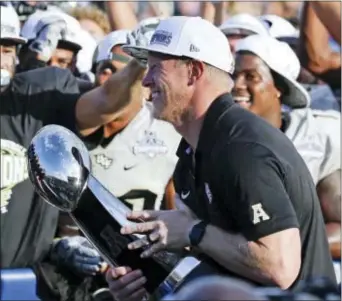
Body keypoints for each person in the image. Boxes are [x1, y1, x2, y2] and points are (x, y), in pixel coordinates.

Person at [105, 16, 337, 301]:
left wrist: (192, 230)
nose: (146, 80)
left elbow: (280, 267)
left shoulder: (242, 147)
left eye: (156, 68)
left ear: (193, 72)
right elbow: (217, 254)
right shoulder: (194, 152)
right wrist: (138, 282)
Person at [0, 5, 147, 301]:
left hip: (23, 286)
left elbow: (107, 101)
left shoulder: (36, 99)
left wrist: (140, 60)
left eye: (5, 49)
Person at [232, 35, 341, 268]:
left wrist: (280, 247)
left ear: (279, 88)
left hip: (301, 270)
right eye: (233, 75)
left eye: (251, 76)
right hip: (234, 266)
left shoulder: (318, 134)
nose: (236, 85)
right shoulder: (213, 134)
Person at [88, 22, 181, 213]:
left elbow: (176, 203)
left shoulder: (167, 126)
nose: (118, 82)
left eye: (126, 74)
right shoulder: (78, 115)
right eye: (107, 71)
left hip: (139, 239)